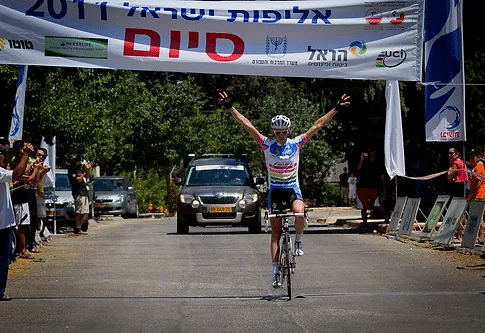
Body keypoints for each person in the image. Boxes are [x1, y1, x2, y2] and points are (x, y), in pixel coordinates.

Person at [218, 90, 350, 288]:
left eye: (284, 132)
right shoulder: (266, 145)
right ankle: (275, 270)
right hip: (275, 192)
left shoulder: (296, 144)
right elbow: (248, 125)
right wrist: (231, 108)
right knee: (276, 234)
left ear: (289, 131)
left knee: (299, 213)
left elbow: (317, 125)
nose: (281, 136)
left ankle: (298, 240)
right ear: (273, 132)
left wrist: (335, 109)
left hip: (291, 189)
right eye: (278, 133)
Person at [1, 138, 34, 301]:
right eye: (3, 154)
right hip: (1, 224)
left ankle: (1, 289)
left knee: (5, 259)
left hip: (5, 223)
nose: (6, 157)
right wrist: (26, 154)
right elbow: (16, 174)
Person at [356, 148, 388, 231]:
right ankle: (365, 224)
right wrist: (361, 159)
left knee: (376, 204)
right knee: (363, 206)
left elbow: (381, 176)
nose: (370, 153)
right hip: (362, 185)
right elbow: (358, 169)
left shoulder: (378, 162)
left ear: (375, 152)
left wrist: (383, 188)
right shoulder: (365, 161)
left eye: (372, 151)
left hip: (373, 186)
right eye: (369, 151)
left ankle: (386, 216)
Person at [465, 148, 485, 244]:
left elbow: (478, 181)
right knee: (478, 217)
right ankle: (479, 237)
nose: (471, 159)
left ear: (478, 157)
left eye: (473, 157)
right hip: (477, 194)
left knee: (479, 217)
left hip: (479, 195)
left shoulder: (479, 167)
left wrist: (471, 194)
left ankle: (481, 237)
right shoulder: (476, 166)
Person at [68, 159, 92, 234]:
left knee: (84, 212)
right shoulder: (72, 170)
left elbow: (87, 177)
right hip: (78, 193)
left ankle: (80, 227)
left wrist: (86, 169)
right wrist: (83, 173)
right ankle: (77, 228)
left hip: (84, 193)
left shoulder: (79, 170)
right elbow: (78, 180)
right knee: (78, 212)